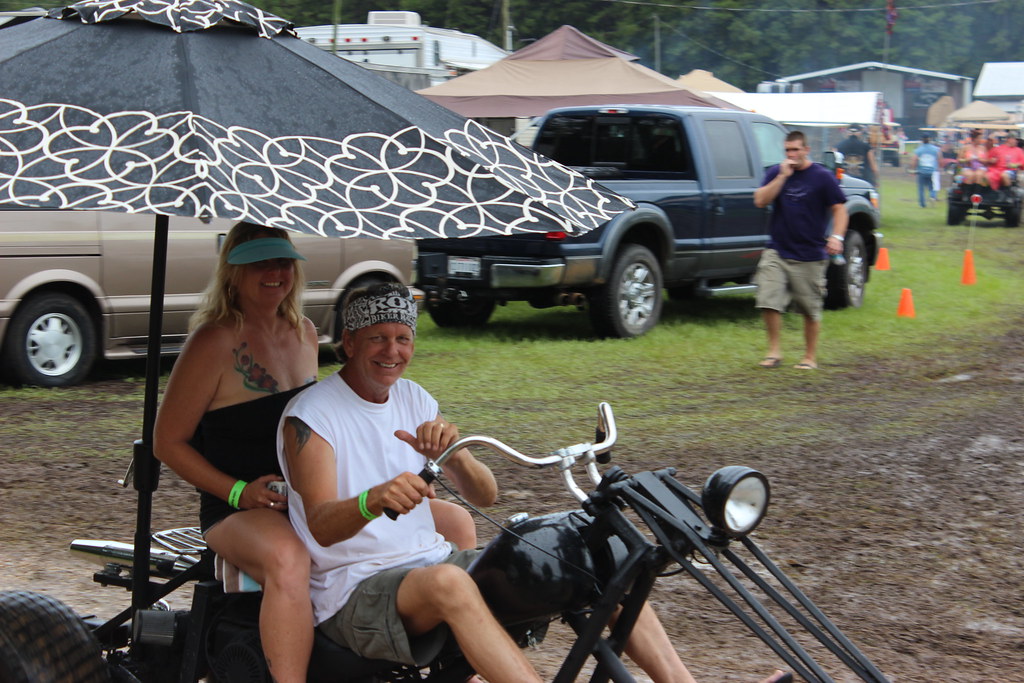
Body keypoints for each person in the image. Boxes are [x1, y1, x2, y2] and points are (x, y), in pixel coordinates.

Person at [278, 282, 791, 683]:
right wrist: (373, 499)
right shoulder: (313, 417)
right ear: (347, 342)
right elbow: (321, 527)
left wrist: (454, 459)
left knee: (590, 558)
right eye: (378, 339)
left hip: (426, 567)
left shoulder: (413, 397)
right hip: (352, 593)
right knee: (450, 582)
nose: (392, 352)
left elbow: (486, 496)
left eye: (403, 338)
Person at [154, 224, 475, 683]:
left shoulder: (303, 331)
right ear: (234, 270)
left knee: (455, 521)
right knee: (290, 559)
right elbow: (168, 442)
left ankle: (451, 655)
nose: (275, 271)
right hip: (239, 505)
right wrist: (239, 492)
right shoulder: (215, 340)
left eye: (283, 260)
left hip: (306, 492)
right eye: (261, 261)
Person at [753, 131, 848, 371]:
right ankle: (774, 351)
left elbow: (839, 209)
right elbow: (760, 201)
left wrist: (837, 236)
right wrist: (781, 178)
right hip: (777, 249)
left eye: (796, 150)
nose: (791, 155)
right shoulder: (777, 172)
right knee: (768, 298)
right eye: (787, 151)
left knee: (809, 309)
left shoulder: (822, 177)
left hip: (810, 254)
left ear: (806, 150)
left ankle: (809, 357)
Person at [911, 135, 941, 207]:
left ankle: (922, 204)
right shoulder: (936, 149)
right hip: (933, 171)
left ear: (922, 140)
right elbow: (939, 158)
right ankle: (932, 196)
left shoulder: (919, 150)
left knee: (921, 189)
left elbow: (914, 160)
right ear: (929, 139)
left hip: (922, 171)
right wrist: (939, 167)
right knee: (933, 186)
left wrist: (913, 169)